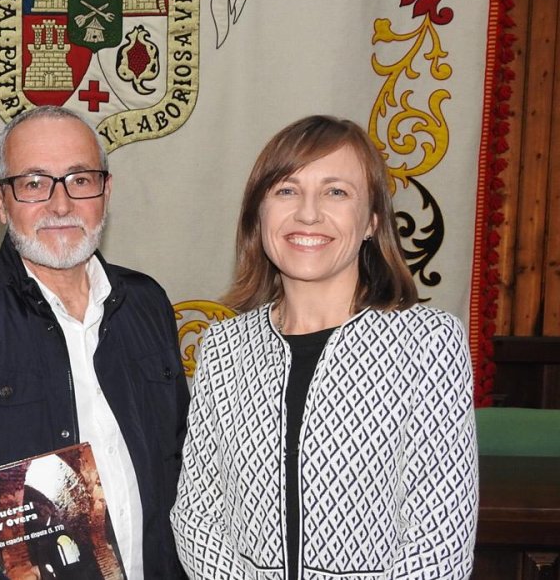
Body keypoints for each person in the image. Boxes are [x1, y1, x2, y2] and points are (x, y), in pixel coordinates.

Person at [170, 115, 478, 579]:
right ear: (260, 213)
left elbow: (440, 541)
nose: (308, 213)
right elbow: (197, 514)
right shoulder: (223, 346)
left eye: (336, 192)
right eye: (286, 190)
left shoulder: (428, 343)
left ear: (372, 220)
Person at [0, 105, 190, 579]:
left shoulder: (147, 304)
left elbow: (183, 462)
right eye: (34, 183)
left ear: (106, 190)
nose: (61, 205)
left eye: (80, 180)